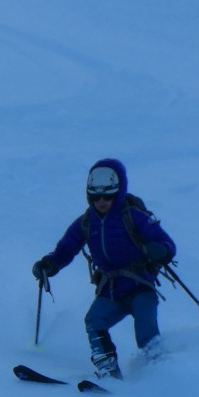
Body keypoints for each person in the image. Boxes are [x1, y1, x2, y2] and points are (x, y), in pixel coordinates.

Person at [31, 159, 176, 379]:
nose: (101, 201)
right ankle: (108, 369)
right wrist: (49, 264)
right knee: (94, 320)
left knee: (146, 333)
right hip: (112, 289)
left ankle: (163, 373)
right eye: (95, 196)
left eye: (108, 195)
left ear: (118, 192)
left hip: (140, 287)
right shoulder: (86, 222)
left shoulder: (134, 216)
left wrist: (161, 250)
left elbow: (167, 243)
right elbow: (65, 249)